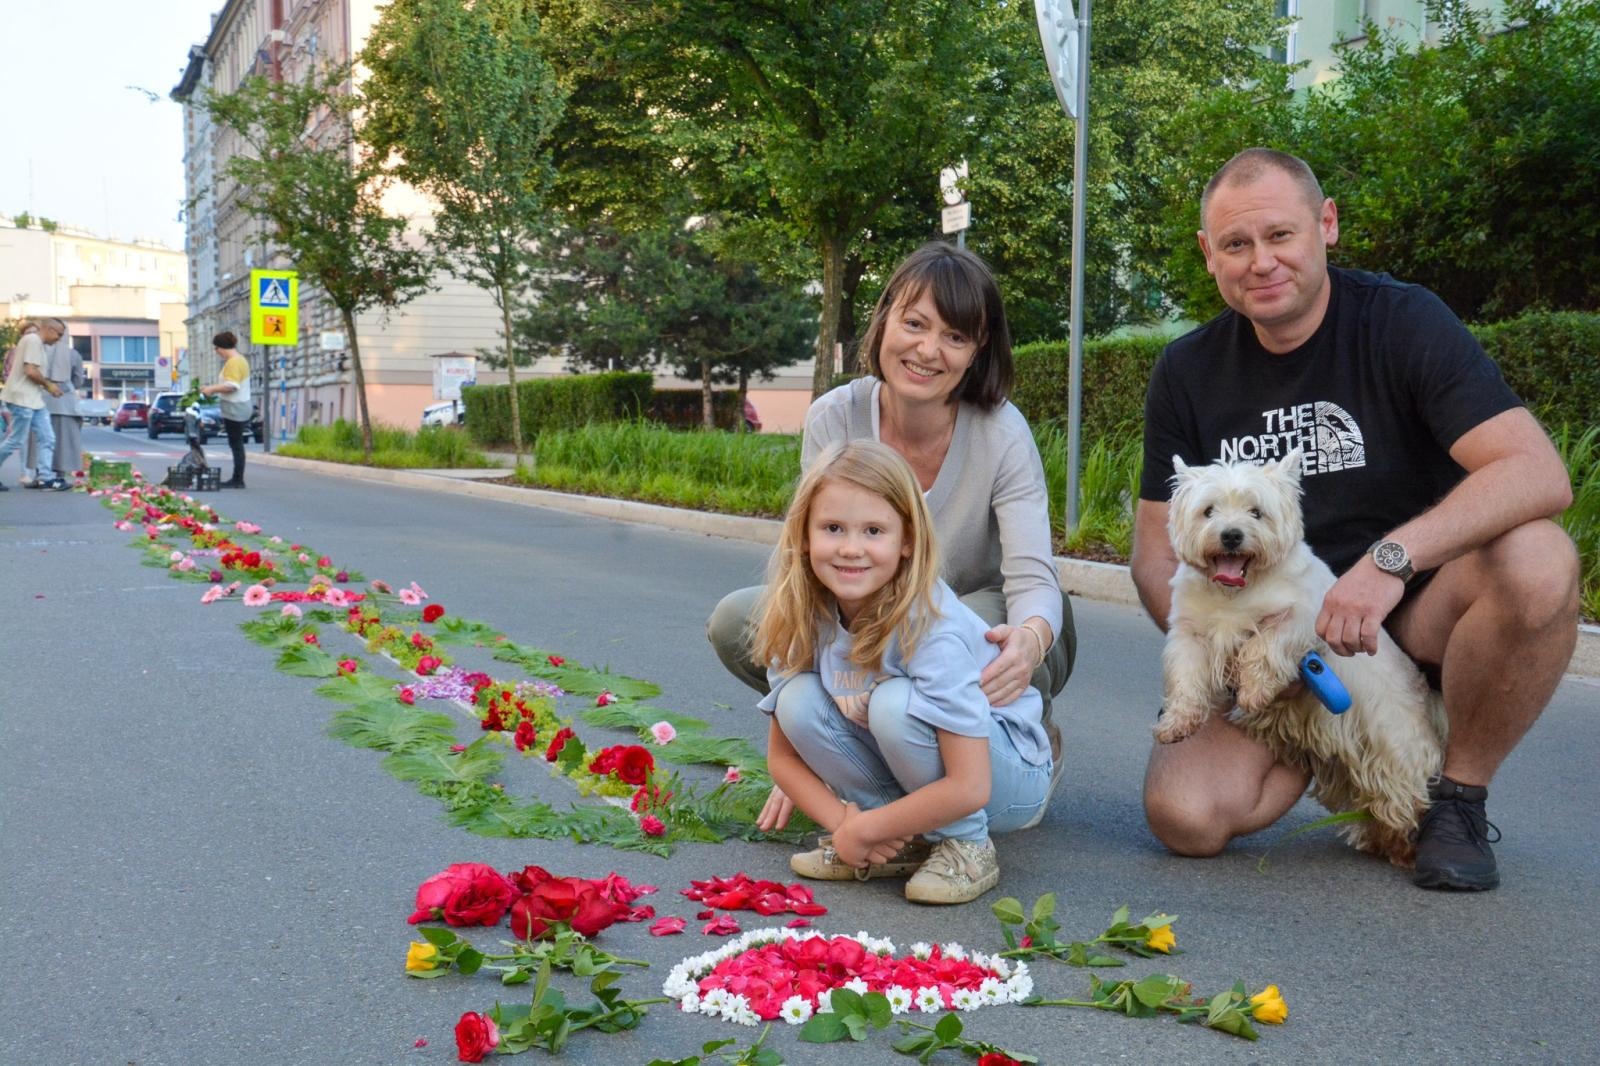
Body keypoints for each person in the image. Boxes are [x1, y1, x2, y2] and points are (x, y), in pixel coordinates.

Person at [1131, 148, 1579, 892]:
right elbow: (1154, 557)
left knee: (1540, 559)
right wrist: (1225, 652)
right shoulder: (1186, 369)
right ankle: (1319, 739)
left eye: (1280, 234)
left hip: (1413, 611)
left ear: (1326, 224)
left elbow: (1537, 472)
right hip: (1270, 627)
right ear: (1210, 254)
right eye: (1237, 244)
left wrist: (1388, 562)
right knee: (1187, 816)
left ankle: (1456, 800)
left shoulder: (1402, 321)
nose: (1261, 262)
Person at [707, 242, 1075, 829]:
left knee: (958, 635)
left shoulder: (1002, 432)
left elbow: (1033, 576)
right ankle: (861, 747)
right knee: (741, 619)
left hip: (974, 611)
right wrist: (806, 753)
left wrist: (1029, 643)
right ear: (883, 322)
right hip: (867, 608)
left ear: (978, 351)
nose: (928, 350)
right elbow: (811, 561)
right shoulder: (834, 417)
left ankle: (1020, 739)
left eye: (955, 337)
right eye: (914, 324)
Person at [755, 440, 1053, 904]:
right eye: (833, 528)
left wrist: (864, 828)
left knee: (894, 703)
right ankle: (899, 841)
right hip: (932, 773)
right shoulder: (800, 615)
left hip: (1005, 774)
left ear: (907, 540)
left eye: (874, 531)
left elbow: (971, 785)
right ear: (805, 535)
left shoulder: (930, 627)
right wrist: (846, 824)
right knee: (797, 699)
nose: (851, 548)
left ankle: (966, 843)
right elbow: (783, 758)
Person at [0, 320, 70, 491]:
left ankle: (45, 478)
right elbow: (30, 370)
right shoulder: (33, 340)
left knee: (47, 438)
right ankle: (45, 477)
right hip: (22, 399)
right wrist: (49, 386)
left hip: (33, 399)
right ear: (49, 329)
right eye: (59, 334)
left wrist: (48, 385)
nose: (59, 339)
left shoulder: (37, 343)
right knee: (16, 440)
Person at [25, 319, 84, 483]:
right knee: (63, 442)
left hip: (38, 400)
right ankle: (59, 475)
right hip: (65, 404)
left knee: (40, 439)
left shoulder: (37, 350)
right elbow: (78, 381)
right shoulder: (73, 355)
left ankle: (40, 474)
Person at [200, 330, 251, 489]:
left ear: (221, 347)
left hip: (235, 408)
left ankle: (238, 479)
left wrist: (212, 389)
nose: (216, 352)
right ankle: (237, 479)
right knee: (236, 443)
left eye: (216, 349)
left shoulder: (233, 362)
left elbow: (232, 386)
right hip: (239, 407)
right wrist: (211, 388)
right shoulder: (240, 360)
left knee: (236, 444)